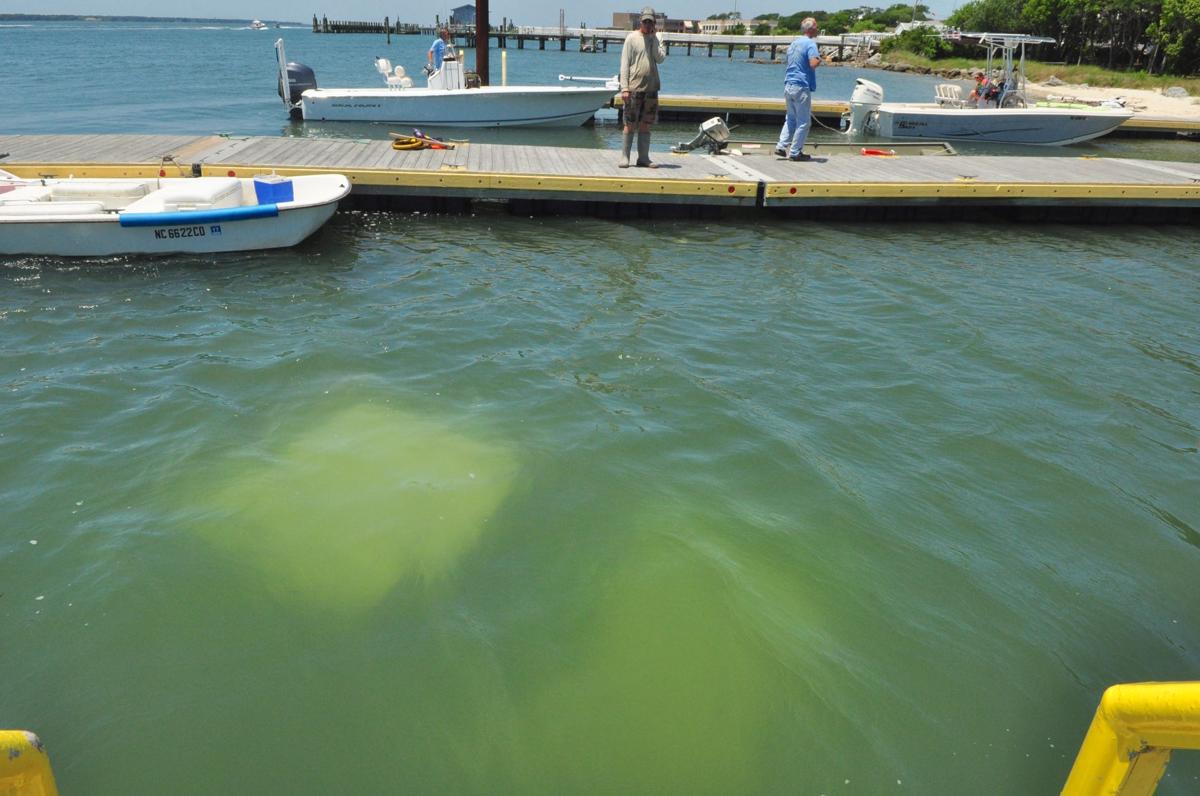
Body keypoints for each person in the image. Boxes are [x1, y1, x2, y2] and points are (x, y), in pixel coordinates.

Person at [618, 7, 667, 168]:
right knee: (629, 124)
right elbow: (624, 64)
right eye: (645, 21)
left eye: (650, 22)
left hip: (651, 89)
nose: (647, 24)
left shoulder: (658, 38)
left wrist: (653, 40)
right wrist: (624, 88)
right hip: (633, 88)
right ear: (640, 21)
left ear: (654, 23)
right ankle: (625, 157)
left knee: (646, 124)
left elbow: (660, 59)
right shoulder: (631, 38)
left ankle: (643, 158)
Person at [775, 17, 821, 162]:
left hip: (788, 84)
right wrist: (820, 59)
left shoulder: (794, 44)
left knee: (790, 118)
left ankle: (781, 146)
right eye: (816, 27)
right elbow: (813, 63)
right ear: (811, 29)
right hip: (801, 86)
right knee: (804, 122)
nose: (818, 29)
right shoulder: (811, 44)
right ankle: (795, 152)